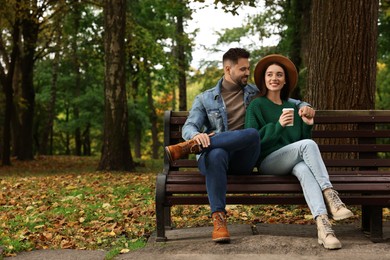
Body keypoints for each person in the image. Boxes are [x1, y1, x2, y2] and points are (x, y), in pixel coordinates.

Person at [164, 48, 315, 243]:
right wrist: (196, 135)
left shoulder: (253, 93)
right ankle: (219, 220)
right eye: (243, 69)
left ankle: (190, 147)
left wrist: (304, 104)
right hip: (214, 159)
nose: (247, 73)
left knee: (252, 134)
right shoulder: (205, 98)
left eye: (248, 68)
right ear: (228, 69)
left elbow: (287, 100)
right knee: (217, 153)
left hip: (243, 157)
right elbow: (190, 125)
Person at [244, 54, 353, 249]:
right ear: (263, 79)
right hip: (268, 162)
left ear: (285, 80)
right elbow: (253, 139)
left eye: (279, 74)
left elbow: (300, 143)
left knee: (304, 168)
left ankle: (323, 226)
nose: (274, 78)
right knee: (308, 147)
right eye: (269, 74)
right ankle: (330, 194)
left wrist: (307, 126)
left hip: (292, 162)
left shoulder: (292, 106)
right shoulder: (256, 105)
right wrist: (277, 126)